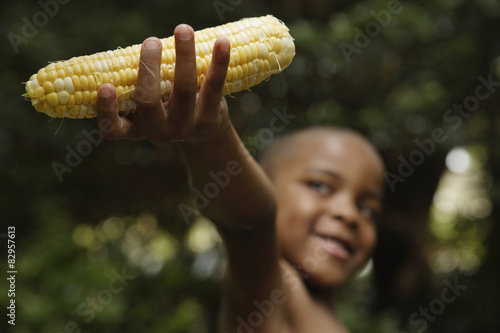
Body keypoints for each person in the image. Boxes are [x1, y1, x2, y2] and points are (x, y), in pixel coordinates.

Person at [96, 23, 385, 333]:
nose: (349, 214)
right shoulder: (271, 295)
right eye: (320, 186)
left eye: (367, 208)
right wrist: (210, 135)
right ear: (261, 183)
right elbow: (250, 222)